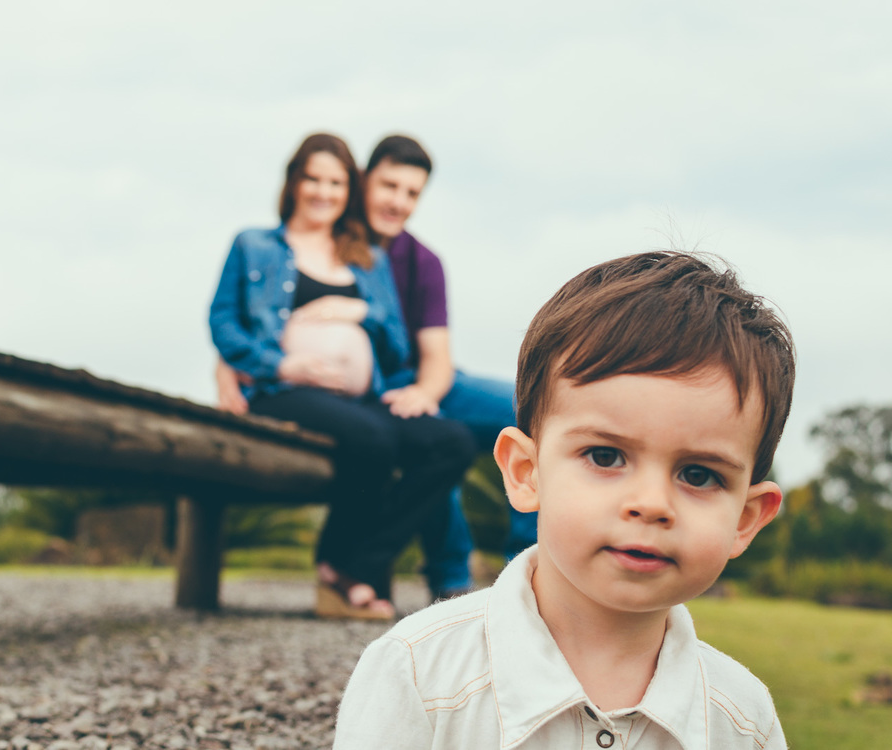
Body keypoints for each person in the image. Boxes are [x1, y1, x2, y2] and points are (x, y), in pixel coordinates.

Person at [334, 251, 794, 749]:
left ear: (745, 520)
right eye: (605, 455)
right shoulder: (420, 674)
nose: (651, 503)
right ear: (525, 472)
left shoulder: (744, 721)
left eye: (698, 474)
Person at [218, 134, 535, 599]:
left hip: (414, 381)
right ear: (362, 183)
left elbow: (430, 354)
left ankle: (525, 574)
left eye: (411, 193)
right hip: (334, 390)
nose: (398, 201)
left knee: (524, 412)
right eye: (389, 186)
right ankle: (450, 583)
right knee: (420, 438)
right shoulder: (289, 242)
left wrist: (422, 390)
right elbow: (246, 317)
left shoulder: (409, 261)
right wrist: (232, 369)